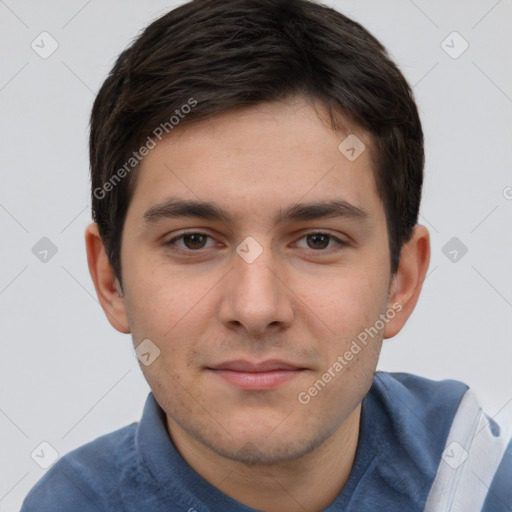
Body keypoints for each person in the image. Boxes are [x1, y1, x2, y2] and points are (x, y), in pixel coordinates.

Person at [21, 0, 511, 510]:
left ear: (401, 281)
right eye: (193, 240)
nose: (256, 309)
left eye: (318, 240)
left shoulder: (477, 478)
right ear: (110, 280)